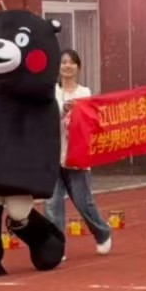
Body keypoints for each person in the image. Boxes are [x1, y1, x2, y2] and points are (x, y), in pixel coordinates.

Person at [47, 49, 113, 256]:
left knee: (83, 201)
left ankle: (102, 233)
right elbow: (44, 118)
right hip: (52, 154)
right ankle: (56, 247)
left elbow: (90, 120)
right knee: (52, 204)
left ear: (78, 67)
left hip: (76, 154)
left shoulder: (85, 92)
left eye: (72, 62)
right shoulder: (50, 91)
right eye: (63, 62)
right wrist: (63, 110)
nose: (67, 66)